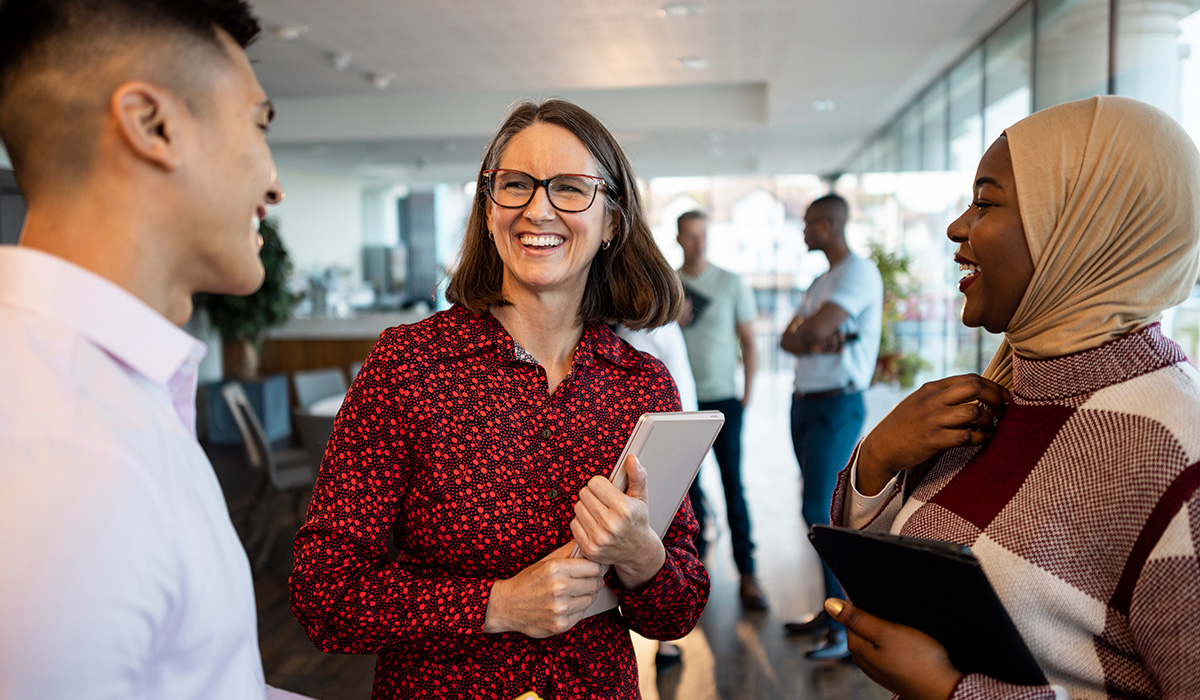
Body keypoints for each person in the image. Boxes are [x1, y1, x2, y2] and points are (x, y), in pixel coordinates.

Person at [289, 98, 709, 700]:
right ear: (489, 211)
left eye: (570, 188)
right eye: (515, 185)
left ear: (613, 221)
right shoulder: (408, 366)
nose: (537, 208)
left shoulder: (641, 384)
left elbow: (677, 613)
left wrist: (642, 555)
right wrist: (499, 604)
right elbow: (324, 595)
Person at [824, 95, 1200, 699]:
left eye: (986, 201)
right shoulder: (1007, 389)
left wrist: (953, 692)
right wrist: (878, 460)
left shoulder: (1171, 451)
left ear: (1083, 226)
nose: (955, 227)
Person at [0, 1, 287, 698]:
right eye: (257, 123)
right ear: (154, 126)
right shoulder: (71, 450)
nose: (274, 184)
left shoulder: (103, 397)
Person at [779, 193, 882, 659]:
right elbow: (790, 338)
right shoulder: (822, 280)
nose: (803, 231)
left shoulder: (858, 272)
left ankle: (846, 627)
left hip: (836, 404)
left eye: (807, 223)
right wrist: (809, 336)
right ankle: (831, 609)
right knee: (816, 508)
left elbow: (812, 333)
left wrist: (811, 336)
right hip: (805, 403)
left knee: (822, 509)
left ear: (828, 224)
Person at [676, 210, 768, 610]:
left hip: (723, 400)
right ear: (679, 239)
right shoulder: (668, 285)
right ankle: (694, 573)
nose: (699, 243)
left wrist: (748, 390)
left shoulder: (730, 283)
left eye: (704, 236)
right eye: (692, 236)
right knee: (687, 492)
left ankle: (748, 574)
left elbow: (748, 339)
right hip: (679, 405)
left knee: (734, 485)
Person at [614, 321, 699, 675]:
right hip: (637, 446)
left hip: (665, 443)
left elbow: (682, 394)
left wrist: (684, 455)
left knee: (662, 532)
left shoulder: (655, 339)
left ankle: (666, 646)